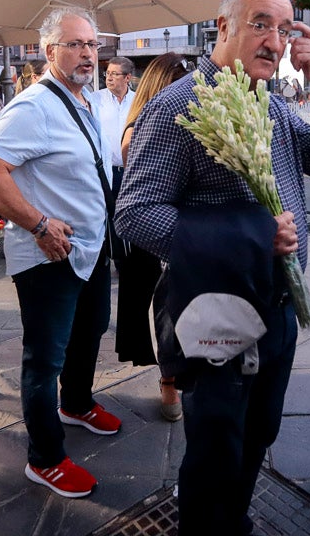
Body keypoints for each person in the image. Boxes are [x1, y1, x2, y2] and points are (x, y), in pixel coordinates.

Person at [116, 0, 310, 536]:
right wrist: (252, 238)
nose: (275, 40)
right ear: (221, 28)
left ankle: (235, 522)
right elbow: (135, 213)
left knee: (259, 434)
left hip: (276, 313)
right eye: (260, 23)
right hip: (216, 312)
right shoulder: (179, 106)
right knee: (215, 450)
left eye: (284, 27)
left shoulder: (269, 101)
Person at [0, 7, 122, 499]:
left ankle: (76, 403)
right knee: (44, 358)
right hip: (49, 255)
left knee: (92, 329)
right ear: (50, 51)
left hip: (89, 246)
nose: (87, 55)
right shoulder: (33, 105)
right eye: (75, 45)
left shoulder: (85, 100)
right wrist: (37, 222)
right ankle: (45, 458)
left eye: (93, 45)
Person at [114, 52, 188, 422]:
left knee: (183, 306)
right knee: (166, 311)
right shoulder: (137, 128)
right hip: (153, 229)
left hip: (189, 225)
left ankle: (180, 373)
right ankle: (168, 379)